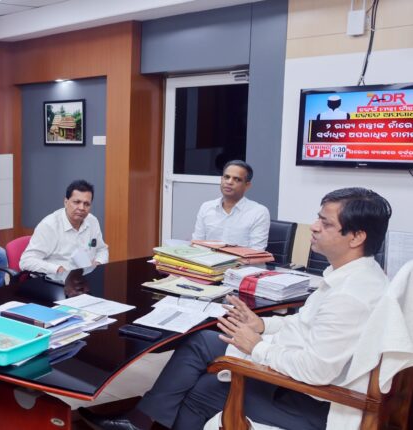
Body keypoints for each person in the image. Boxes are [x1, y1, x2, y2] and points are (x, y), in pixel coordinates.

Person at [80, 187, 392, 430]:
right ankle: (141, 420)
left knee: (203, 391)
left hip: (308, 403)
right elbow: (307, 326)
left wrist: (257, 347)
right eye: (318, 218)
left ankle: (147, 419)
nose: (314, 226)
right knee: (203, 340)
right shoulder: (348, 276)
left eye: (326, 222)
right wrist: (263, 326)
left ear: (356, 237)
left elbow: (315, 371)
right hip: (296, 368)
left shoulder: (351, 295)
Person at [20, 179, 108, 274]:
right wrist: (58, 269)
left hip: (86, 277)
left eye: (86, 204)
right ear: (66, 202)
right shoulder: (49, 226)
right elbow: (26, 261)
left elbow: (102, 250)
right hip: (56, 279)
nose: (82, 208)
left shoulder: (92, 221)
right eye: (77, 202)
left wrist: (98, 263)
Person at [192, 160, 270, 250]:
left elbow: (256, 251)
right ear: (221, 179)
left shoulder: (259, 212)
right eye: (226, 177)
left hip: (241, 259)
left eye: (237, 179)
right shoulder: (206, 207)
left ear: (247, 185)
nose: (229, 182)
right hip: (207, 258)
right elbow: (197, 243)